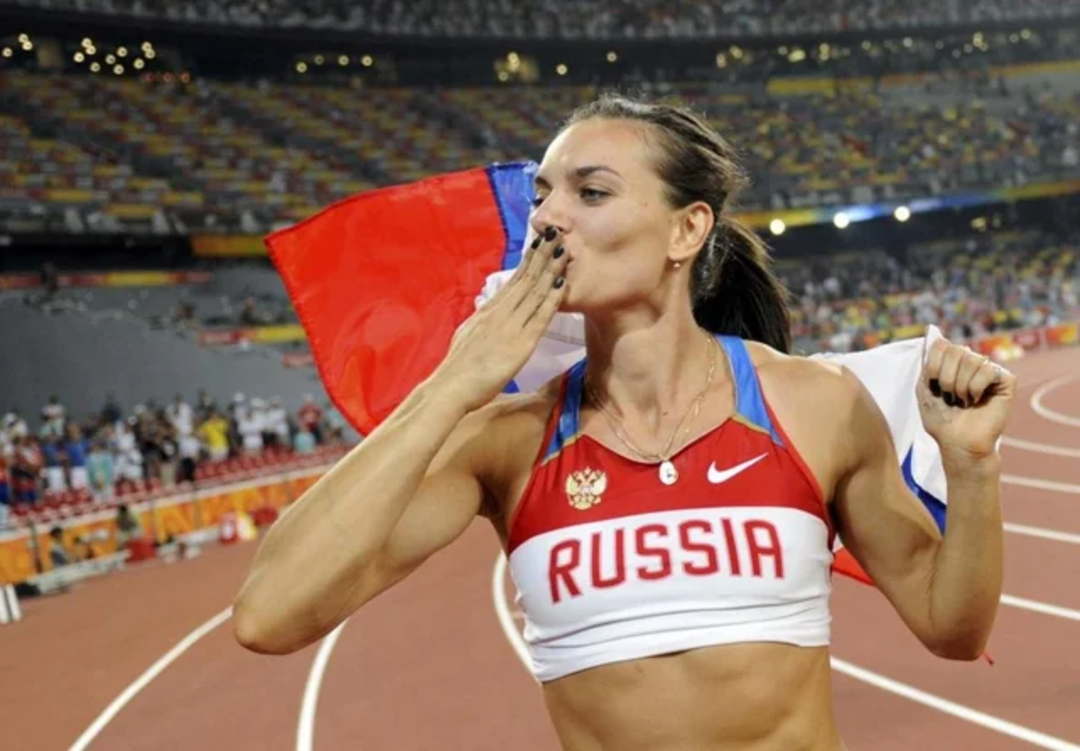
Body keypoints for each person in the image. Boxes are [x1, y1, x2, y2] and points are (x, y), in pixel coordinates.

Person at [233, 95, 1014, 751]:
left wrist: (972, 467)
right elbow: (269, 616)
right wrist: (453, 384)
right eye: (542, 194)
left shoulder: (815, 404)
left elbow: (950, 624)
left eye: (590, 192)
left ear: (687, 230)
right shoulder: (505, 441)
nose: (547, 219)